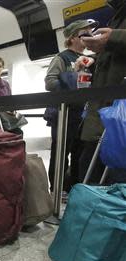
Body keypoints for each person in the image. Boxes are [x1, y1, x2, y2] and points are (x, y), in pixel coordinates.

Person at [44, 19, 98, 193]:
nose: (90, 37)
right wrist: (73, 72)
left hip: (83, 114)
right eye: (85, 34)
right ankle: (56, 191)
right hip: (64, 113)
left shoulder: (89, 60)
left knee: (78, 155)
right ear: (74, 37)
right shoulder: (62, 58)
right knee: (60, 154)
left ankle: (75, 190)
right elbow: (50, 83)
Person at [79, 0, 126, 183]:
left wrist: (114, 38)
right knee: (91, 174)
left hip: (118, 118)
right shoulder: (118, 14)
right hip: (106, 114)